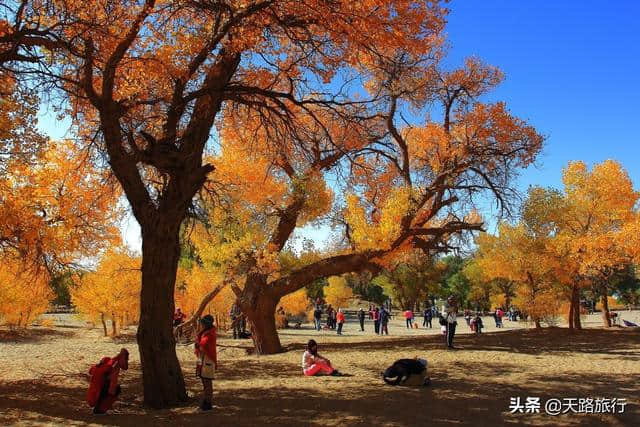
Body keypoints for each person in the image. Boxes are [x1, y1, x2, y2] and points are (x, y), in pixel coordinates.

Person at [87, 348, 129, 414]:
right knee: (116, 389)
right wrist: (119, 356)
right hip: (97, 395)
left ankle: (101, 408)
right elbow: (111, 363)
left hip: (93, 396)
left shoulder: (95, 368)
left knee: (111, 384)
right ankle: (102, 408)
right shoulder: (104, 368)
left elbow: (90, 371)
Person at [195, 314, 217, 411]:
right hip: (203, 359)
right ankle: (206, 401)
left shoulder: (209, 333)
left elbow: (204, 345)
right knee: (204, 381)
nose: (201, 325)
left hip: (207, 360)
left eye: (202, 323)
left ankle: (208, 403)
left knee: (207, 382)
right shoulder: (205, 332)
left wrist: (198, 345)